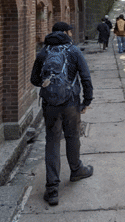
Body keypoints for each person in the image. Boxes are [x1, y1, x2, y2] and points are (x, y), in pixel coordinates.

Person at [30, 21, 94, 206]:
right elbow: (85, 77)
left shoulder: (43, 52)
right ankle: (76, 170)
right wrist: (87, 100)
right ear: (66, 33)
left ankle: (52, 190)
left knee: (52, 141)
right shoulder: (73, 51)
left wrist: (50, 84)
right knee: (73, 136)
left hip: (49, 105)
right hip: (71, 103)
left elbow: (34, 79)